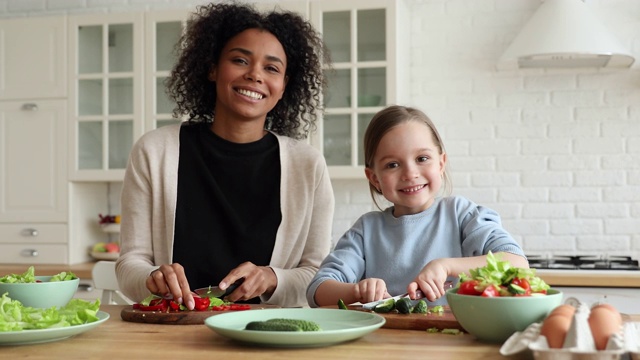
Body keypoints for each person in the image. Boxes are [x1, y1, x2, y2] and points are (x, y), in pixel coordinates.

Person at [115, 2, 334, 309]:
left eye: (271, 68)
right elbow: (130, 264)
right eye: (240, 60)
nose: (255, 75)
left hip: (266, 336)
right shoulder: (155, 151)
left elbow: (318, 275)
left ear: (285, 86)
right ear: (212, 68)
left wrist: (273, 278)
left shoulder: (308, 165)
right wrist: (152, 277)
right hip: (176, 331)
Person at [307, 105, 527, 307]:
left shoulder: (463, 215)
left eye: (422, 158)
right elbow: (318, 290)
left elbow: (517, 264)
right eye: (392, 165)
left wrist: (446, 266)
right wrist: (357, 290)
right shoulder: (366, 230)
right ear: (374, 178)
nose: (410, 174)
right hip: (387, 344)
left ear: (441, 164)